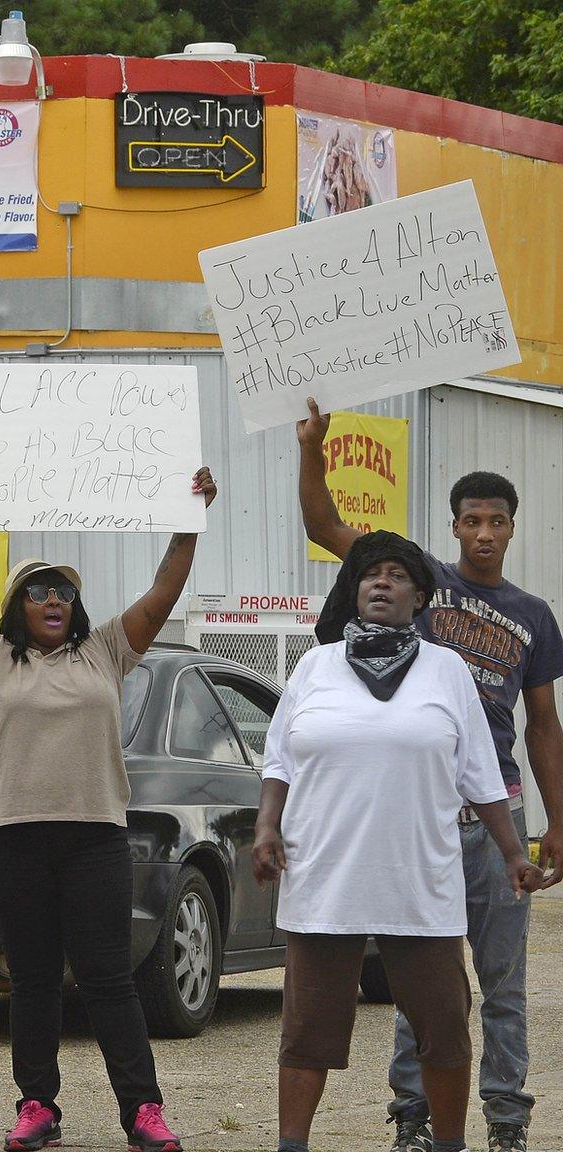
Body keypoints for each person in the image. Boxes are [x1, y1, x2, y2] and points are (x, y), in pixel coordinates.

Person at [296, 398, 563, 1152]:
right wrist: (312, 451)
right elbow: (325, 527)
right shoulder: (418, 581)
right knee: (427, 988)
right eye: (471, 520)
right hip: (424, 824)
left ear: (512, 527)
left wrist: (557, 823)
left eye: (497, 522)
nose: (483, 533)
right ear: (453, 527)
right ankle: (412, 1121)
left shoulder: (535, 615)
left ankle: (506, 1123)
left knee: (505, 989)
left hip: (497, 815)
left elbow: (542, 725)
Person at [0, 466, 216, 1152]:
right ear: (16, 606)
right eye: (37, 590)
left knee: (108, 979)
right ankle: (38, 1107)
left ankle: (143, 1112)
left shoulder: (105, 651)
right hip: (11, 840)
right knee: (31, 981)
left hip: (93, 840)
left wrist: (188, 523)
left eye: (61, 589)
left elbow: (163, 590)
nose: (52, 597)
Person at [254, 530, 546, 1152]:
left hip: (419, 883)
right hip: (324, 879)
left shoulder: (446, 672)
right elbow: (278, 760)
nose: (381, 583)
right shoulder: (315, 666)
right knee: (307, 1031)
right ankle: (291, 1145)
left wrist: (514, 853)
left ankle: (447, 1144)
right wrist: (264, 829)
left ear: (419, 597)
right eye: (370, 575)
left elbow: (482, 777)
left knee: (443, 1028)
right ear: (354, 592)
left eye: (396, 575)